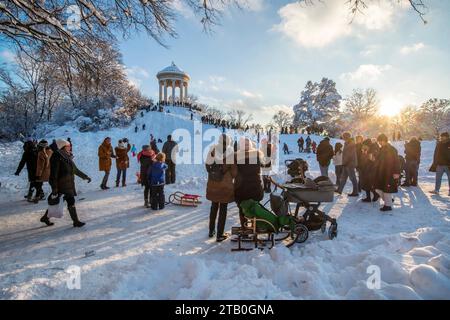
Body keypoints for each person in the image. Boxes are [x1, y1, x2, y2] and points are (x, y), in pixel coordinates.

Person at [40, 139, 91, 227]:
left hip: (68, 185)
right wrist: (54, 188)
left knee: (69, 201)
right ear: (63, 147)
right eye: (68, 146)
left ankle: (75, 221)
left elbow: (75, 170)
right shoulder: (56, 157)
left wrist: (85, 176)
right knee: (57, 202)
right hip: (61, 186)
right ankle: (46, 217)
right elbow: (53, 175)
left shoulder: (67, 157)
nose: (70, 147)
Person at [205, 134, 237, 242]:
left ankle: (211, 231)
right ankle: (219, 234)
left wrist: (212, 173)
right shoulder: (230, 153)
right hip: (225, 185)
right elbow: (234, 172)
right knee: (223, 209)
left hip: (213, 184)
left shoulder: (212, 150)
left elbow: (207, 165)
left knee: (213, 207)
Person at [234, 138, 271, 229]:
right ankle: (256, 228)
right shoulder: (257, 155)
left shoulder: (236, 157)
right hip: (255, 188)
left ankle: (244, 229)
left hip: (241, 189)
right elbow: (267, 166)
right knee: (255, 207)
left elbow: (233, 172)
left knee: (242, 208)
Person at [374, 134, 400, 211]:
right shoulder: (381, 148)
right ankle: (388, 200)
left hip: (389, 172)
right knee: (378, 188)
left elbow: (396, 161)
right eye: (379, 141)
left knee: (386, 189)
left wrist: (396, 172)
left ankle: (388, 206)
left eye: (380, 141)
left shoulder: (392, 149)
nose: (379, 143)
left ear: (384, 140)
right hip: (381, 172)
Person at [15, 138, 38, 202]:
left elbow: (22, 162)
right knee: (36, 182)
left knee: (33, 182)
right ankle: (33, 195)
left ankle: (33, 194)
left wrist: (18, 171)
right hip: (37, 169)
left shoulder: (26, 151)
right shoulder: (36, 149)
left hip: (30, 169)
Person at [336, 132, 359, 196]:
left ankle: (355, 192)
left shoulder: (351, 143)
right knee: (343, 177)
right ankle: (339, 190)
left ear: (346, 137)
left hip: (350, 163)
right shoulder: (347, 143)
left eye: (343, 137)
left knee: (352, 178)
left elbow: (349, 155)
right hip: (346, 163)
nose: (343, 138)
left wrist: (345, 162)